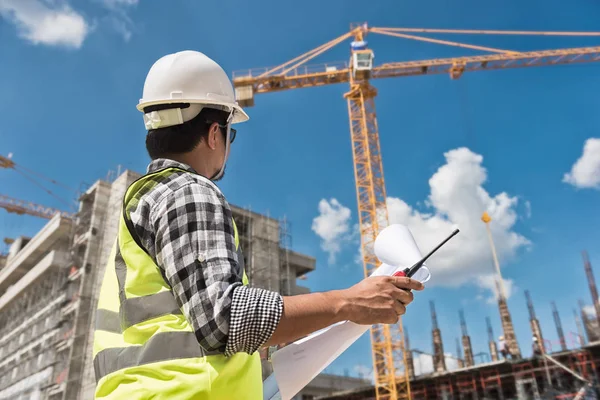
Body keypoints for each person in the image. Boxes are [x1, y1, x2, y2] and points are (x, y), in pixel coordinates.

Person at [92, 50, 424, 400]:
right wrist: (347, 302)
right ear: (215, 134)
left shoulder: (144, 204)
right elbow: (225, 317)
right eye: (230, 136)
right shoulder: (190, 192)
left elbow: (187, 326)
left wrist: (255, 350)